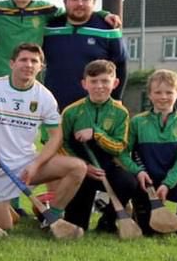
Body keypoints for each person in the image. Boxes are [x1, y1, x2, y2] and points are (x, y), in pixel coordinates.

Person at [0, 43, 86, 233]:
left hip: (27, 166)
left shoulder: (45, 97)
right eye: (23, 60)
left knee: (77, 167)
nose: (28, 65)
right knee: (5, 227)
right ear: (12, 63)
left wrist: (35, 164)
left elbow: (56, 137)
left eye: (34, 61)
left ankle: (51, 216)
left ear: (41, 67)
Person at [59, 59, 146, 235]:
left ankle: (107, 220)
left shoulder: (120, 112)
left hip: (108, 166)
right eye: (94, 81)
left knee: (129, 183)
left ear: (115, 83)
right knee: (78, 227)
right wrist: (83, 166)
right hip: (82, 168)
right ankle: (73, 218)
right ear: (84, 84)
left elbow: (119, 147)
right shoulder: (71, 112)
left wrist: (96, 134)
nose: (99, 86)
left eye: (105, 81)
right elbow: (62, 145)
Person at [123, 69, 177, 236]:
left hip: (173, 181)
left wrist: (168, 183)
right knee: (148, 232)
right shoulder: (138, 122)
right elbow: (123, 153)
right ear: (150, 95)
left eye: (169, 92)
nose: (163, 97)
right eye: (157, 92)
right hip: (145, 183)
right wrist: (138, 171)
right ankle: (138, 214)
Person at [42, 0, 128, 110]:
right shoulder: (50, 27)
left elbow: (121, 64)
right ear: (65, 2)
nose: (80, 4)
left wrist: (117, 98)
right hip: (53, 105)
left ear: (94, 3)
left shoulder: (108, 29)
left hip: (94, 107)